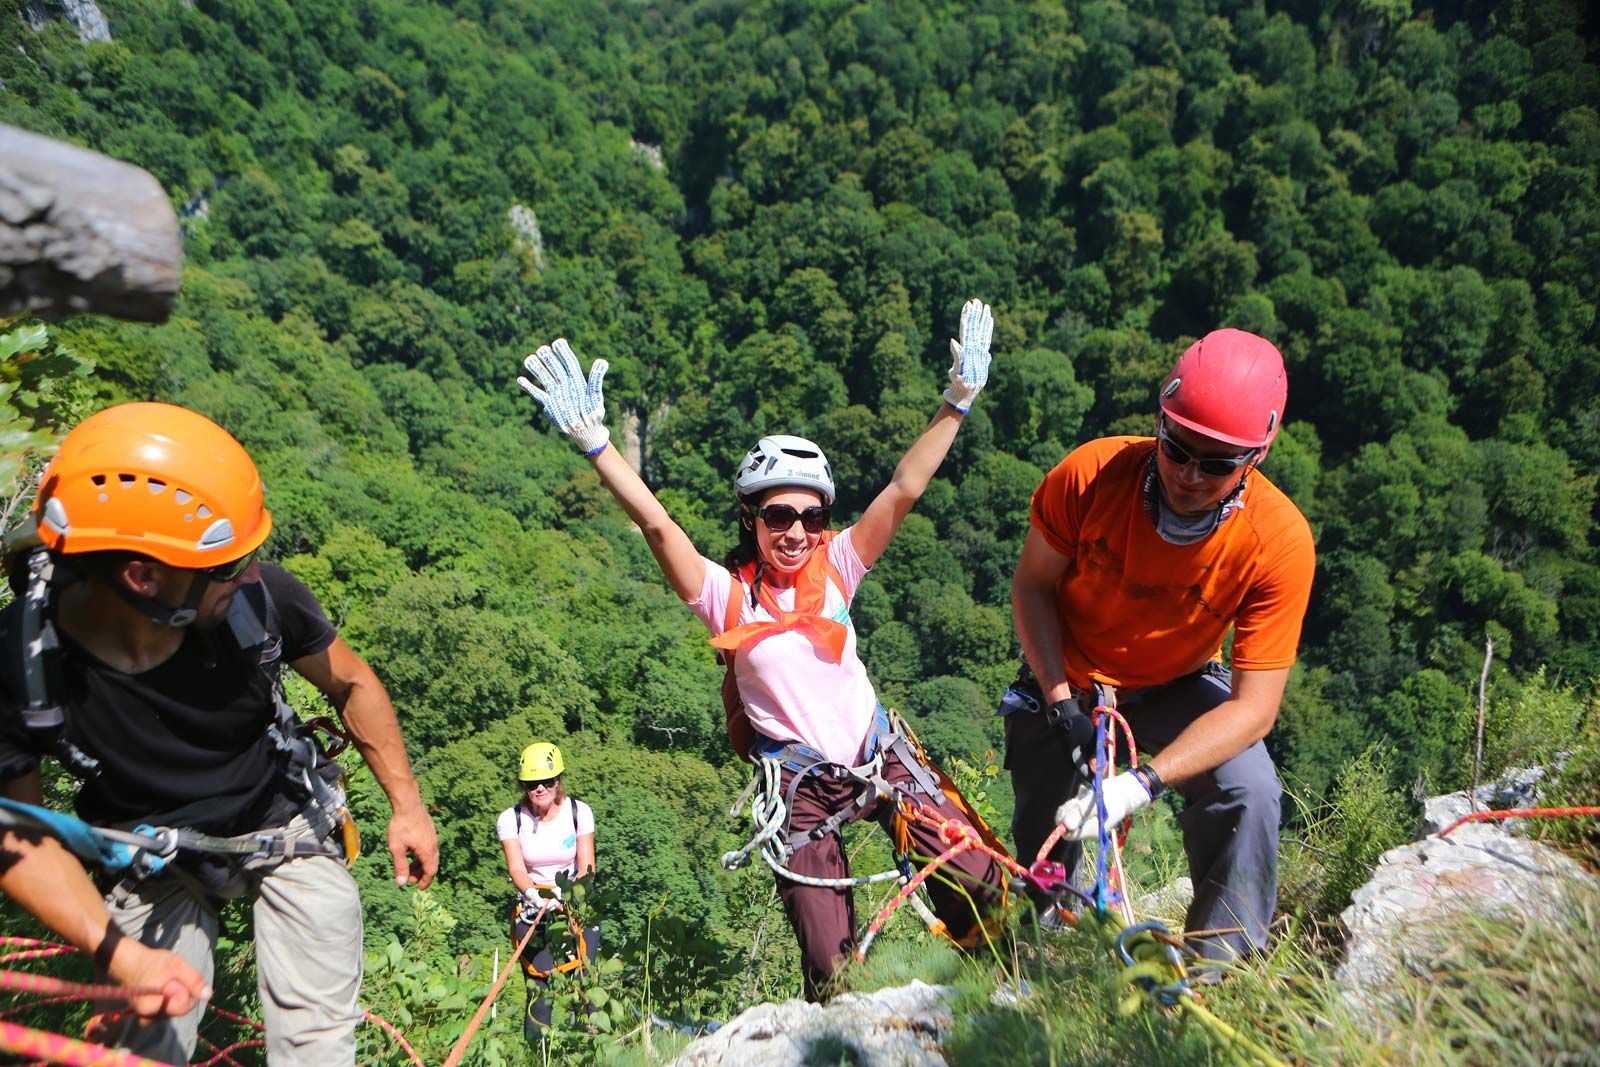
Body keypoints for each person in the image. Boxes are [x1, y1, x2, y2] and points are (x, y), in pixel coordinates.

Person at [516, 301, 1011, 1000]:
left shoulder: (838, 565)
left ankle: (1016, 985)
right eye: (780, 515)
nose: (798, 530)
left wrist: (957, 402)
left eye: (811, 515)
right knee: (831, 966)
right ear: (750, 519)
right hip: (802, 789)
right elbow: (658, 526)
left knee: (982, 883)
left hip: (879, 752)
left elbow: (904, 489)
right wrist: (598, 445)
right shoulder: (727, 597)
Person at [0, 402, 439, 1065]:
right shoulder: (22, 665)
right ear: (143, 576)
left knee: (319, 1047)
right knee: (142, 1043)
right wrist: (114, 951)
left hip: (281, 820)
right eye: (230, 566)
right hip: (143, 849)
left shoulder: (260, 605)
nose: (252, 574)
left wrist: (407, 806)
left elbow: (351, 684)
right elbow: (21, 832)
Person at [1006, 328, 1315, 961]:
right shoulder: (1091, 476)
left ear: (1254, 458)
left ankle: (1215, 972)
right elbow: (1034, 587)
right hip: (1073, 674)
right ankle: (1038, 957)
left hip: (1179, 680)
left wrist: (1142, 781)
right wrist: (1063, 705)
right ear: (1159, 425)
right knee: (1048, 830)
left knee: (1249, 791)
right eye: (1176, 449)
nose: (1189, 475)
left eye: (1217, 464)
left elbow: (1255, 708)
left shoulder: (1277, 542)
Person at [496, 741, 599, 1043]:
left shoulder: (579, 812)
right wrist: (534, 895)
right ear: (523, 785)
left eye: (547, 781)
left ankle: (589, 1052)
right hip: (534, 908)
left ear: (558, 781)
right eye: (531, 784)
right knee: (538, 993)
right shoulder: (511, 820)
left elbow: (587, 866)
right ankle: (537, 1055)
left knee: (586, 988)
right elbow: (516, 868)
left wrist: (568, 895)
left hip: (573, 901)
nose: (539, 788)